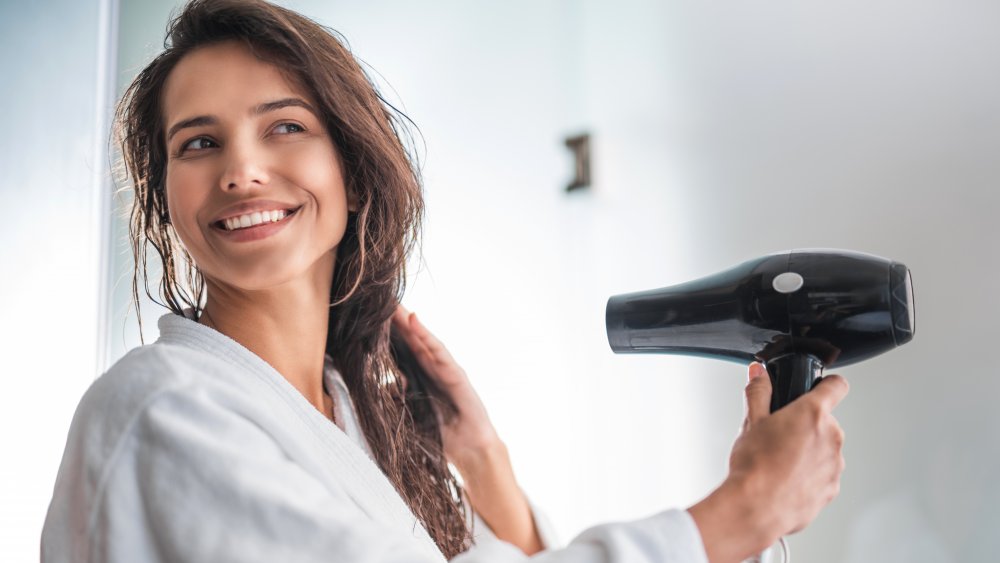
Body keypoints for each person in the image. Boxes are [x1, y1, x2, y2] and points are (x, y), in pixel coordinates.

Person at [41, 1, 848, 561]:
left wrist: (485, 465)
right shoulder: (160, 409)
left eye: (284, 125)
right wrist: (740, 512)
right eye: (198, 144)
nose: (243, 170)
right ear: (168, 199)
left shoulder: (337, 420)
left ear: (351, 169)